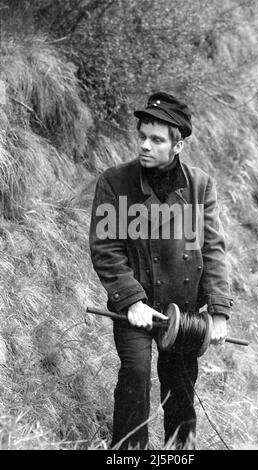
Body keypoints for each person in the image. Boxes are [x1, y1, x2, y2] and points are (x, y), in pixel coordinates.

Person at [89, 91, 233, 450]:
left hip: (183, 310)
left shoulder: (201, 186)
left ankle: (179, 453)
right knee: (135, 375)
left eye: (156, 140)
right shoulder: (115, 182)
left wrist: (218, 313)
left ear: (178, 145)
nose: (145, 146)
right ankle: (127, 453)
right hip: (135, 308)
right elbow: (106, 249)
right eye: (142, 137)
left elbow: (213, 249)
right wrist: (132, 301)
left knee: (180, 390)